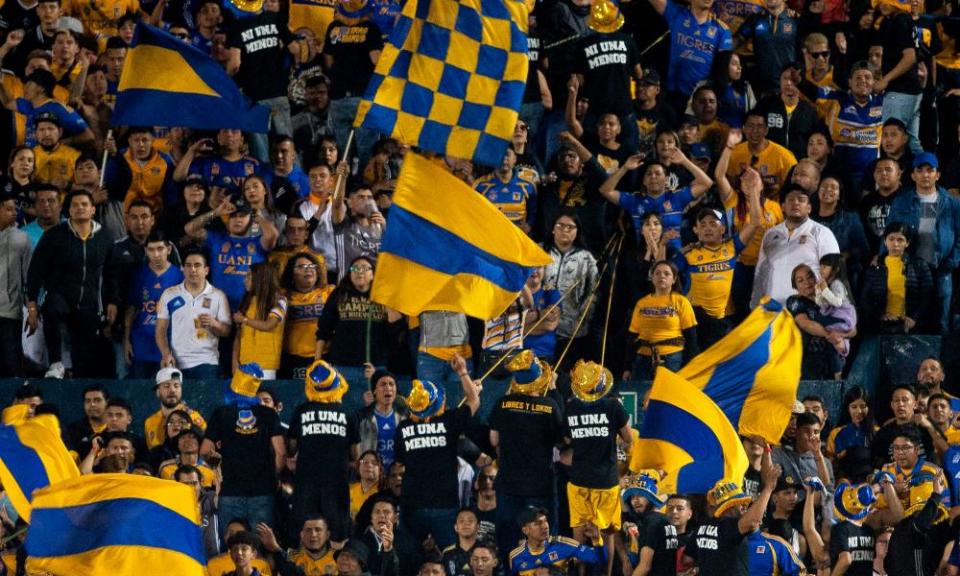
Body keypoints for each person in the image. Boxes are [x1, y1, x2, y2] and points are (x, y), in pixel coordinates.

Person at [25, 189, 116, 378]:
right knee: (52, 307)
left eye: (84, 204)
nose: (80, 208)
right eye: (75, 205)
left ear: (92, 210)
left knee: (84, 359)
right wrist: (32, 304)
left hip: (88, 303)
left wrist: (112, 301)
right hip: (61, 296)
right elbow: (35, 270)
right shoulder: (54, 235)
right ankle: (55, 363)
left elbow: (111, 273)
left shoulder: (105, 236)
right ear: (69, 211)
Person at [395, 354, 481, 550]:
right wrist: (462, 372)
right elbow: (474, 400)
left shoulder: (403, 428)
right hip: (444, 504)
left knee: (410, 558)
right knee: (451, 555)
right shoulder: (449, 421)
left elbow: (400, 462)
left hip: (412, 504)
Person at [489, 350, 565, 561]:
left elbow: (493, 440)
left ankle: (507, 568)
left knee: (508, 535)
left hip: (509, 483)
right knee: (543, 535)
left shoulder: (503, 403)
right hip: (539, 484)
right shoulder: (549, 407)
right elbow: (562, 441)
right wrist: (554, 390)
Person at [675, 171, 762, 347]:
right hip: (694, 321)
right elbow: (665, 276)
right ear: (695, 231)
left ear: (722, 229)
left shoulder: (731, 247)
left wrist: (753, 192)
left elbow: (755, 223)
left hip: (722, 320)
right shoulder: (688, 254)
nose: (708, 228)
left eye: (713, 224)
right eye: (703, 224)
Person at [564, 360, 631, 567]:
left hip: (579, 479)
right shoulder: (613, 406)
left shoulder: (571, 406)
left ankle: (579, 573)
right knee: (607, 532)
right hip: (606, 480)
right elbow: (628, 439)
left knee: (579, 530)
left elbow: (567, 441)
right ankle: (607, 573)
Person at [887, 153, 960, 334]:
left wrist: (952, 261)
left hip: (942, 266)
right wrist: (883, 256)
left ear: (938, 175)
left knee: (942, 316)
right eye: (920, 170)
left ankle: (940, 361)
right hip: (911, 267)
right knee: (912, 317)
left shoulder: (952, 203)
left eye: (930, 170)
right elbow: (890, 231)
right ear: (913, 175)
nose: (925, 175)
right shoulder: (902, 201)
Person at [289, 360, 360, 542]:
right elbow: (355, 454)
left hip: (306, 481)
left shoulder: (301, 411)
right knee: (337, 533)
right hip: (336, 482)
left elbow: (292, 448)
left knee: (304, 531)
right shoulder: (347, 413)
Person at [683, 446, 781, 576]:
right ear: (728, 506)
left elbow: (687, 559)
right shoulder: (728, 526)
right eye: (739, 503)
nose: (744, 507)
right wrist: (768, 488)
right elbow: (753, 521)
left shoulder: (702, 527)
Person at [598, 149, 713, 253]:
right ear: (644, 181)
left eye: (658, 174)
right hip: (643, 258)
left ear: (666, 179)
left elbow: (707, 183)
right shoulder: (634, 200)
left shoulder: (677, 197)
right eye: (649, 174)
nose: (653, 177)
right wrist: (625, 168)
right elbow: (605, 191)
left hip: (672, 260)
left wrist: (684, 161)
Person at [184, 195, 279, 312]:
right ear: (227, 219)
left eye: (242, 216)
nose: (238, 220)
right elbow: (190, 229)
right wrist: (216, 212)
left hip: (250, 310)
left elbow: (273, 235)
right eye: (233, 216)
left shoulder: (258, 243)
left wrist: (258, 217)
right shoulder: (217, 239)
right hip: (217, 310)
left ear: (250, 219)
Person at [315, 256, 402, 385]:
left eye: (365, 268)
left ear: (373, 274)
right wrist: (318, 358)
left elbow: (396, 325)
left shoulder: (383, 295)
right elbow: (324, 328)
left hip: (376, 364)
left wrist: (384, 295)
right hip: (342, 363)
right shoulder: (339, 293)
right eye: (355, 268)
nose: (360, 272)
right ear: (349, 273)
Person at [751, 185, 841, 306]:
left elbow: (833, 272)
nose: (796, 203)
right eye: (791, 199)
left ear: (809, 208)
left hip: (809, 309)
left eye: (801, 200)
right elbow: (761, 271)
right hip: (773, 309)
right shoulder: (771, 234)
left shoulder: (822, 232)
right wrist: (755, 304)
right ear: (782, 207)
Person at [155, 250, 232, 379]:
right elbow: (160, 330)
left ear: (206, 270)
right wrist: (166, 353)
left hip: (207, 362)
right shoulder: (169, 294)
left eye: (197, 265)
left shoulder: (218, 296)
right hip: (175, 364)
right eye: (188, 265)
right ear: (183, 269)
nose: (193, 269)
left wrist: (215, 324)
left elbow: (227, 331)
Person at [624, 260, 698, 381]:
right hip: (643, 358)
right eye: (657, 273)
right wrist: (627, 367)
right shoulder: (642, 303)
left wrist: (689, 366)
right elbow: (632, 337)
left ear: (674, 279)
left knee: (669, 396)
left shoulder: (681, 302)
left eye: (666, 273)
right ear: (652, 278)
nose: (661, 276)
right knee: (640, 395)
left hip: (672, 358)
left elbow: (691, 337)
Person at [124, 230, 184, 379]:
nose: (156, 254)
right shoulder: (138, 275)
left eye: (160, 249)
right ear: (146, 251)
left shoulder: (181, 277)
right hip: (141, 346)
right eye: (151, 250)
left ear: (168, 249)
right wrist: (126, 341)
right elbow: (132, 309)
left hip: (170, 348)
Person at [541, 212, 598, 369]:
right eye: (560, 225)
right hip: (539, 326)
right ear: (552, 229)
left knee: (566, 374)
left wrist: (582, 319)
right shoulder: (540, 252)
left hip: (572, 330)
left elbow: (593, 292)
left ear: (577, 231)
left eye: (570, 227)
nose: (565, 230)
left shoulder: (586, 258)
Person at [861, 222, 933, 334]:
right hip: (881, 327)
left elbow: (927, 296)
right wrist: (880, 316)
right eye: (891, 239)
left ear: (907, 243)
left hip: (911, 327)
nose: (895, 244)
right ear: (885, 241)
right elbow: (865, 299)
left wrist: (914, 318)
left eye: (900, 240)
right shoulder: (874, 267)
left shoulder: (919, 266)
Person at [279, 253, 333, 379]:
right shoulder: (283, 296)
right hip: (292, 358)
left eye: (311, 265)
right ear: (292, 273)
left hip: (325, 355)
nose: (308, 269)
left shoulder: (330, 292)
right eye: (302, 266)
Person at [508, 506, 605, 575]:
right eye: (538, 523)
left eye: (545, 521)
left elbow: (598, 559)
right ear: (525, 530)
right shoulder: (515, 557)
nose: (545, 527)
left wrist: (596, 540)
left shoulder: (563, 545)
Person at [726, 108, 798, 198]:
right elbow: (729, 184)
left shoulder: (784, 156)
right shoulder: (734, 153)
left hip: (773, 209)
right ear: (743, 129)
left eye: (760, 126)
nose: (755, 131)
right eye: (750, 126)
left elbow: (796, 187)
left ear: (766, 130)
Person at [232, 262, 287, 379]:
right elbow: (239, 334)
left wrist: (245, 320)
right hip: (244, 363)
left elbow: (269, 325)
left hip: (265, 365)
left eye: (248, 276)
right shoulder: (246, 301)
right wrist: (234, 360)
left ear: (260, 278)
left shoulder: (279, 300)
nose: (244, 280)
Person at [871, 385, 938, 469]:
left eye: (905, 400)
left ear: (915, 404)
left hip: (925, 476)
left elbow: (945, 451)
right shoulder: (884, 432)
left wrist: (929, 427)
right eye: (896, 401)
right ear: (892, 405)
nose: (901, 404)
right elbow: (875, 458)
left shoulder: (927, 424)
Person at [143, 367, 207, 451]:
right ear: (158, 392)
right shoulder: (150, 422)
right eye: (166, 386)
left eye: (176, 386)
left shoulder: (194, 418)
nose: (172, 390)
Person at [0, 192, 29, 376]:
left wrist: (31, 307)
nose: (14, 213)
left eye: (15, 210)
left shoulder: (22, 238)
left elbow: (28, 275)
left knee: (11, 366)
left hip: (11, 313)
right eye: (9, 209)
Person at [358, 369, 407, 470]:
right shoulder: (362, 419)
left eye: (391, 384)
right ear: (374, 390)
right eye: (383, 384)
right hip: (373, 477)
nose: (388, 388)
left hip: (397, 477)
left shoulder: (405, 419)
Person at [441, 507, 481, 576]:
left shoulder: (487, 551)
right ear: (456, 527)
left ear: (478, 527)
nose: (466, 524)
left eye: (470, 521)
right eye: (461, 521)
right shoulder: (447, 553)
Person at [351, 451, 382, 520]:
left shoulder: (384, 492)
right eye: (364, 462)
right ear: (358, 467)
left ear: (380, 469)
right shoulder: (349, 489)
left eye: (374, 463)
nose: (369, 465)